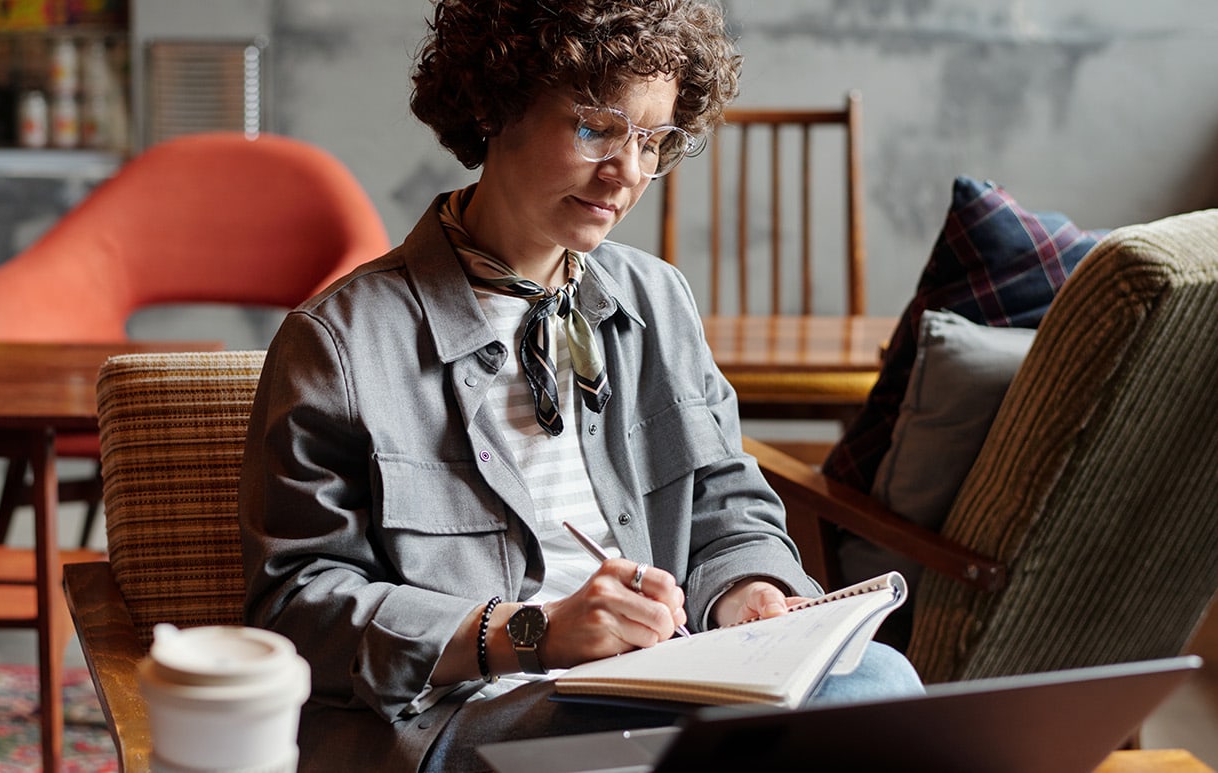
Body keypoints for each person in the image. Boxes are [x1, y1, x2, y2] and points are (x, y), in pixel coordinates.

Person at [238, 1, 923, 770]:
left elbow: (728, 502)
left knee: (880, 681)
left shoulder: (656, 299)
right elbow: (296, 610)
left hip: (663, 688)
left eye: (653, 140)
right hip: (466, 722)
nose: (628, 173)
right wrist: (533, 630)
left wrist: (747, 588)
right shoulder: (341, 342)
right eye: (596, 129)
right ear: (493, 105)